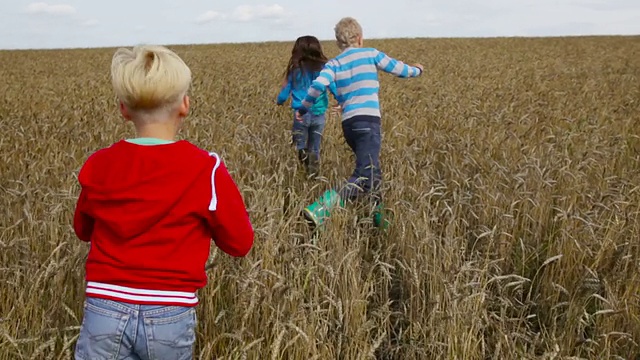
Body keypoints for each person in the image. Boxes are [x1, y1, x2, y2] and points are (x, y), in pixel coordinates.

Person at [72, 45, 254, 360]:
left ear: (123, 109)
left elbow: (83, 229)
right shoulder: (205, 168)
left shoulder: (99, 164)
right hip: (170, 311)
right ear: (185, 105)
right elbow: (240, 243)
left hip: (103, 305)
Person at [295, 17, 424, 230]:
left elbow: (318, 84)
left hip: (349, 125)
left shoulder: (334, 64)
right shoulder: (371, 54)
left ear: (339, 42)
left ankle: (378, 220)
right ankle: (322, 207)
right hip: (368, 122)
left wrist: (303, 107)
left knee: (372, 171)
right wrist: (417, 69)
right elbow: (399, 69)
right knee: (366, 172)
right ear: (360, 38)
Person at [277, 35, 337, 178]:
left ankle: (302, 172)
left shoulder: (295, 70)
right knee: (315, 147)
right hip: (319, 114)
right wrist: (340, 99)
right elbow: (333, 86)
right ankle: (314, 175)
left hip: (301, 114)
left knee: (300, 145)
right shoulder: (324, 69)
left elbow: (285, 93)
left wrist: (279, 101)